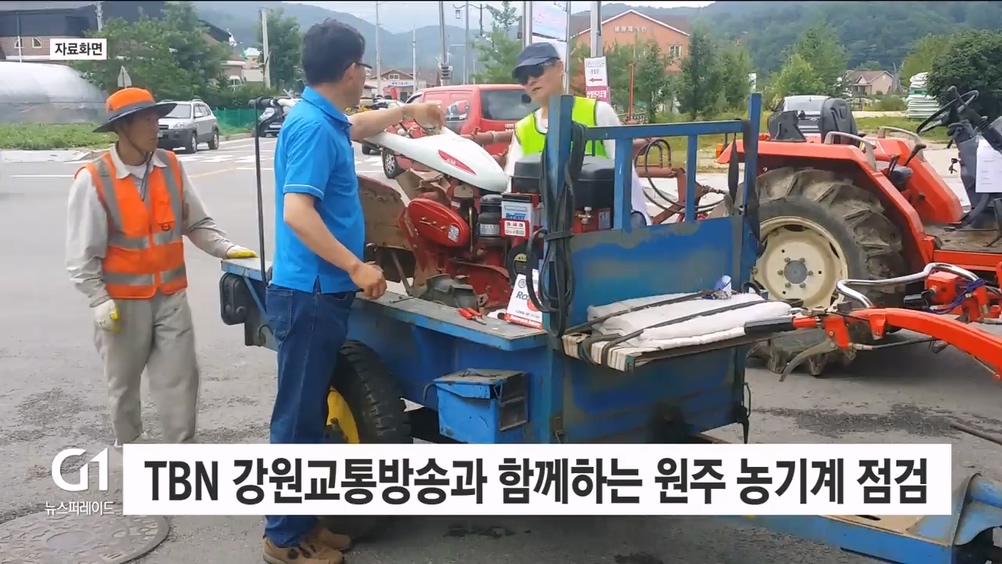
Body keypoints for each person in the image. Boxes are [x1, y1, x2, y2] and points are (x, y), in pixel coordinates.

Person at [263, 20, 445, 564]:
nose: (365, 74)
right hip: (311, 292)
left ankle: (303, 523)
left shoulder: (322, 117)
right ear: (349, 70)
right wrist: (356, 266)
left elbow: (359, 124)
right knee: (298, 420)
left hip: (317, 291)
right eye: (363, 65)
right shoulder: (314, 129)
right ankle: (283, 538)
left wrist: (408, 111)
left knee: (307, 413)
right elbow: (298, 213)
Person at [65, 87, 258, 447]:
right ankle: (131, 447)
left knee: (181, 378)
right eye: (147, 120)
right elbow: (81, 253)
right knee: (123, 384)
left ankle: (181, 452)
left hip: (170, 298)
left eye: (157, 118)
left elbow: (196, 223)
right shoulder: (94, 179)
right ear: (123, 127)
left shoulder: (170, 166)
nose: (157, 127)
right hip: (122, 304)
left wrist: (227, 248)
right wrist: (98, 298)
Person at [505, 42, 652, 228]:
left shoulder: (597, 112)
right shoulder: (523, 128)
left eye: (536, 70)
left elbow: (626, 175)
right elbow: (512, 186)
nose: (531, 81)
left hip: (598, 228)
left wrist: (638, 220)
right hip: (541, 233)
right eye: (523, 77)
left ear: (559, 67)